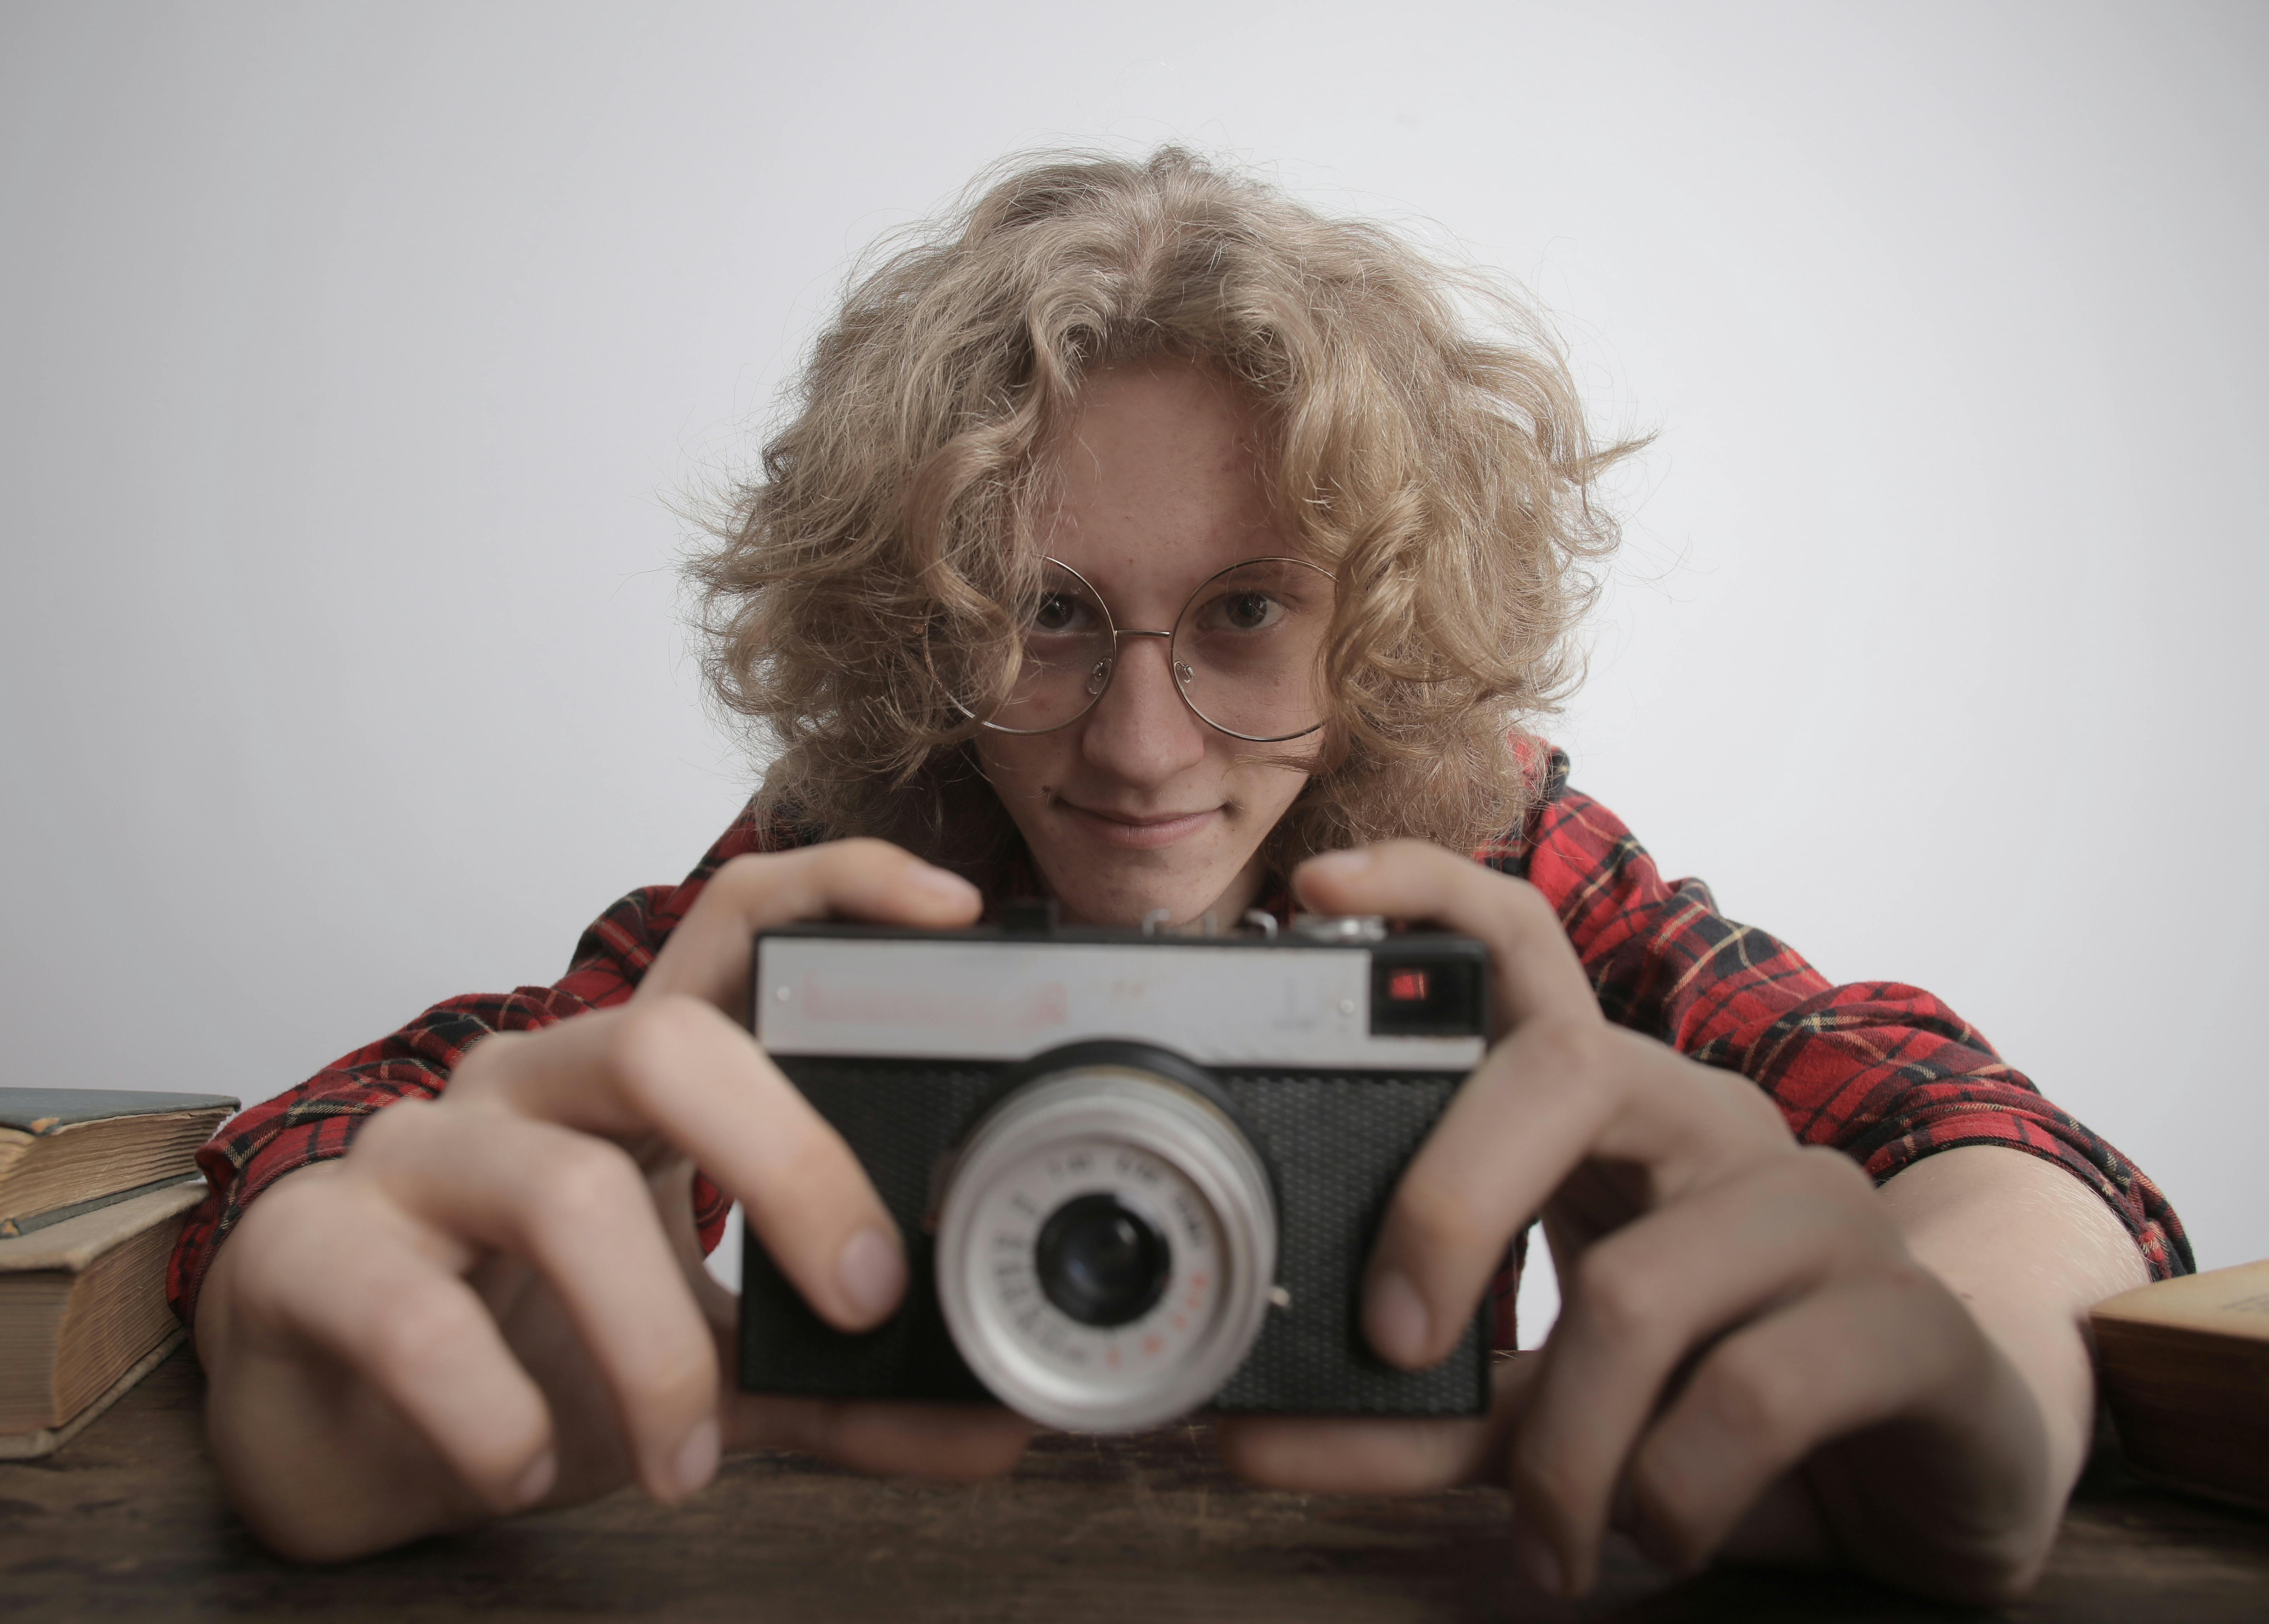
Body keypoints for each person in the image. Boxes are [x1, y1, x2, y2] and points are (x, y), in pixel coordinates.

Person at [173, 148, 2188, 1597]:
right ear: (925, 620)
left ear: (1382, 617)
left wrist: (1977, 1377)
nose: (1138, 746)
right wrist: (331, 1306)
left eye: (1245, 610)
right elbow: (440, 1101)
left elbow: (1948, 1116)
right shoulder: (857, 871)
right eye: (1043, 615)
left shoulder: (1484, 859)